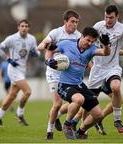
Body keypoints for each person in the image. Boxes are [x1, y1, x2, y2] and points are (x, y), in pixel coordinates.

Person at [45, 27, 111, 139]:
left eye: (92, 41)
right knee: (79, 99)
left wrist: (106, 44)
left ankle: (81, 131)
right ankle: (67, 125)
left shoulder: (91, 49)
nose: (90, 43)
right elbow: (49, 49)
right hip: (64, 84)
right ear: (82, 36)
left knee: (98, 115)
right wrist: (48, 60)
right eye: (88, 40)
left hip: (80, 85)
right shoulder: (66, 44)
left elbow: (106, 53)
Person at [87, 4, 123, 134]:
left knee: (116, 88)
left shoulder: (122, 28)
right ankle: (76, 125)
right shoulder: (98, 26)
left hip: (112, 68)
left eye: (111, 18)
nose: (108, 20)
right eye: (106, 17)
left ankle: (117, 120)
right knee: (86, 105)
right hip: (96, 70)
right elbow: (89, 44)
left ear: (117, 16)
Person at [37, 10, 81, 140]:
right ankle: (49, 132)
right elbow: (43, 44)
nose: (75, 24)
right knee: (57, 103)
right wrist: (43, 46)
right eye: (72, 21)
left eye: (77, 22)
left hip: (69, 74)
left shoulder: (78, 36)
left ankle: (57, 116)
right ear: (65, 21)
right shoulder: (56, 33)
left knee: (77, 101)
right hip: (54, 72)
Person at [0, 19, 40, 126]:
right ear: (18, 27)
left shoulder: (32, 39)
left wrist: (35, 53)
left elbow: (36, 52)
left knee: (12, 96)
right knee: (28, 91)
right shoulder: (12, 38)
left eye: (26, 26)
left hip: (22, 70)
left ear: (29, 28)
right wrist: (8, 59)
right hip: (13, 69)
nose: (24, 28)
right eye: (22, 26)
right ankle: (19, 114)